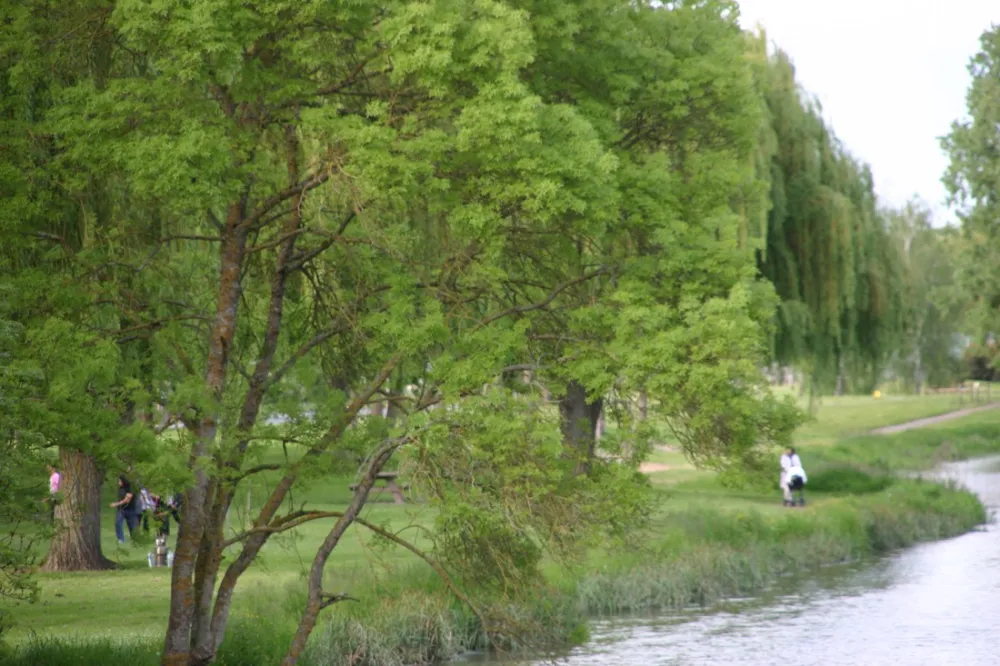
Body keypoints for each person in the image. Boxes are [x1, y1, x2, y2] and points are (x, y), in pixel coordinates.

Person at [111, 475, 140, 544]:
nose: (118, 482)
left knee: (132, 526)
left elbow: (127, 500)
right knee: (118, 523)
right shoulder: (120, 488)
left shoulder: (131, 488)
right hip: (121, 510)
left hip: (131, 510)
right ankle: (121, 539)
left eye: (120, 481)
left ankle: (135, 539)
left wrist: (116, 504)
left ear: (123, 481)